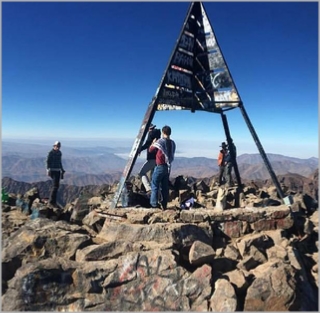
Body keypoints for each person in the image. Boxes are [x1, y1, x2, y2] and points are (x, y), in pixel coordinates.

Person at [149, 125, 176, 210]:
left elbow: (151, 150)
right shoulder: (172, 143)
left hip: (160, 166)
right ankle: (164, 205)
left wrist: (153, 143)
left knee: (154, 184)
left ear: (163, 132)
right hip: (167, 167)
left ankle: (154, 204)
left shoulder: (160, 141)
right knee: (165, 187)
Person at [138, 123, 161, 195]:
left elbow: (147, 144)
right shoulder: (158, 135)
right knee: (153, 176)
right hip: (158, 159)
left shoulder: (151, 134)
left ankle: (149, 189)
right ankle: (157, 193)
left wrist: (140, 149)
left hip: (152, 158)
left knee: (142, 173)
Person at [46, 141, 65, 206]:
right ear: (54, 146)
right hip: (52, 170)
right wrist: (48, 170)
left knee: (56, 186)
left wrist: (62, 169)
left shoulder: (59, 153)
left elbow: (60, 162)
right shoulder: (50, 153)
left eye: (59, 146)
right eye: (57, 146)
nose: (58, 147)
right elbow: (47, 161)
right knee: (55, 186)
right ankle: (51, 201)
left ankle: (53, 201)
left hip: (58, 170)